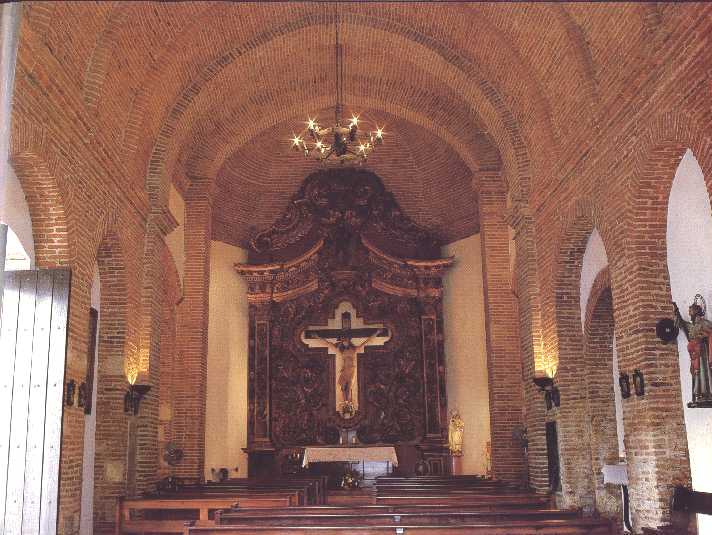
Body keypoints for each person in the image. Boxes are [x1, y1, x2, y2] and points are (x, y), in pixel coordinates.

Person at [673, 296, 712, 405]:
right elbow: (682, 324)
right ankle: (698, 395)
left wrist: (703, 336)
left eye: (690, 311)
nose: (689, 313)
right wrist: (676, 311)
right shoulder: (691, 325)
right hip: (695, 353)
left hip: (703, 351)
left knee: (704, 371)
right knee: (696, 372)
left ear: (696, 311)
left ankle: (706, 394)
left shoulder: (704, 323)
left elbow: (710, 333)